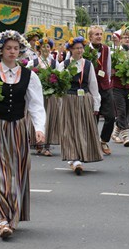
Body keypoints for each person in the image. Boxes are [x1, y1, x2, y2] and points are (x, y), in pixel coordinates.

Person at [0, 30, 46, 240]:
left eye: (15, 48)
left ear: (20, 51)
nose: (12, 52)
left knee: (17, 172)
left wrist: (39, 128)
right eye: (8, 48)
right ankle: (0, 218)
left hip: (18, 127)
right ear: (0, 50)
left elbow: (36, 105)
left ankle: (13, 215)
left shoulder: (29, 75)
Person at [57, 36, 102, 174]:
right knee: (69, 128)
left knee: (82, 128)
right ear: (70, 49)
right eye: (76, 48)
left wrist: (96, 105)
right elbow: (59, 86)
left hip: (84, 100)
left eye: (81, 48)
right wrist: (60, 104)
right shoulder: (63, 65)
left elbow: (93, 86)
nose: (79, 51)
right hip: (68, 99)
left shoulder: (88, 64)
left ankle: (82, 155)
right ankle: (74, 157)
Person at [28, 36, 60, 156]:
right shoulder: (33, 62)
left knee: (49, 117)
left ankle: (47, 145)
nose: (46, 49)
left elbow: (59, 77)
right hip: (37, 94)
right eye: (43, 47)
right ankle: (38, 143)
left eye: (48, 46)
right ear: (39, 49)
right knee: (37, 117)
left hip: (50, 95)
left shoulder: (55, 63)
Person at [88, 26, 116, 156]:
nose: (99, 36)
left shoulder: (106, 49)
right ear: (90, 37)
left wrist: (108, 81)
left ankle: (104, 140)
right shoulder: (85, 50)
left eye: (100, 34)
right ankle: (92, 142)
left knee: (110, 116)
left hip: (105, 86)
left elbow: (108, 67)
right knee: (93, 117)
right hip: (90, 88)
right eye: (96, 34)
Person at [111, 29, 129, 147]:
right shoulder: (114, 53)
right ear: (120, 39)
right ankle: (125, 137)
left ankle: (115, 134)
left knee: (125, 111)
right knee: (121, 111)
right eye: (125, 37)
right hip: (117, 86)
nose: (127, 39)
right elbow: (110, 69)